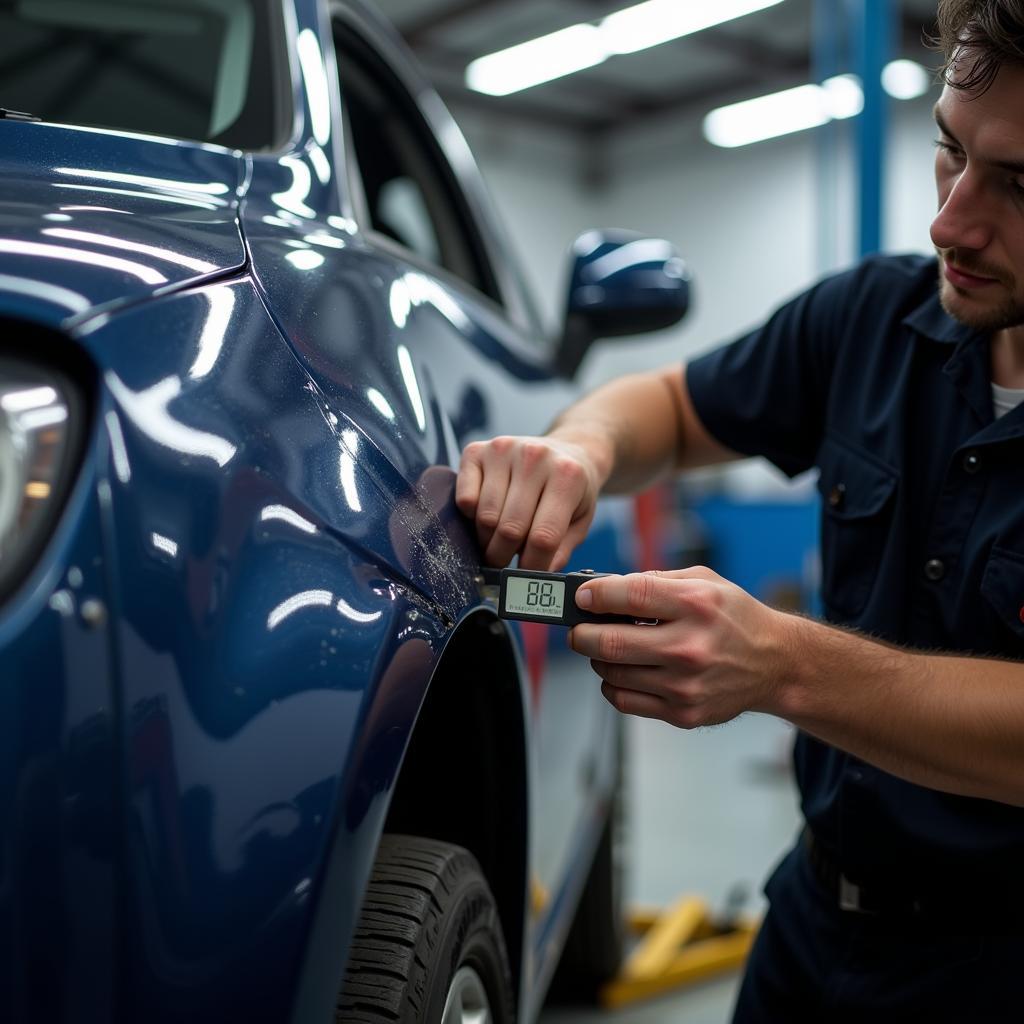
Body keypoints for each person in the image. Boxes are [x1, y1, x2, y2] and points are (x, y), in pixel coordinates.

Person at [455, 1, 1024, 1019]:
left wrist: (784, 665)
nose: (950, 221)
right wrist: (582, 447)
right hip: (812, 927)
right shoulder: (874, 317)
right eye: (948, 151)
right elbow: (670, 407)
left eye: (1020, 186)